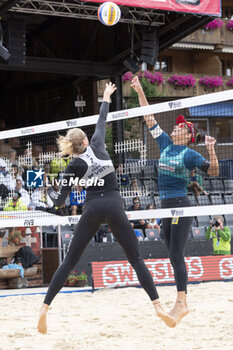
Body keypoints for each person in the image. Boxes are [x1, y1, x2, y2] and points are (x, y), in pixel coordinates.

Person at [38, 82, 176, 334]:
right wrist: (105, 96)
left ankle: (44, 309)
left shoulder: (73, 166)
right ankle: (158, 306)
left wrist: (48, 190)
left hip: (91, 209)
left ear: (72, 146)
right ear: (87, 140)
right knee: (135, 259)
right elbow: (102, 119)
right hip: (113, 206)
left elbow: (59, 203)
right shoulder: (99, 144)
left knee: (68, 262)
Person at [131, 76, 219, 325]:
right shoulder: (166, 145)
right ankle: (181, 300)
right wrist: (139, 90)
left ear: (187, 134)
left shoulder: (190, 154)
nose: (174, 127)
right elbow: (149, 117)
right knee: (169, 249)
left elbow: (213, 172)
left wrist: (211, 149)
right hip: (166, 207)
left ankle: (181, 302)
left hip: (181, 205)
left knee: (177, 254)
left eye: (179, 127)